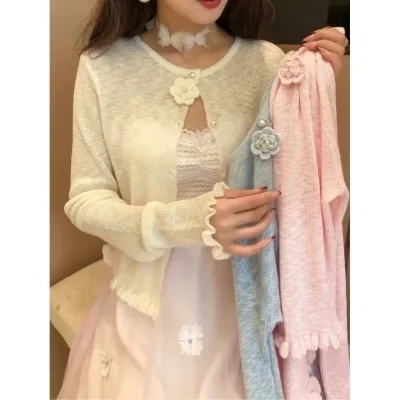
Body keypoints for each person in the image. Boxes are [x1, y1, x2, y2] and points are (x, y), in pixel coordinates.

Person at [58, 0, 349, 398]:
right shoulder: (103, 67)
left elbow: (297, 191)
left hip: (247, 318)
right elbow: (86, 199)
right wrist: (191, 221)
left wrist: (316, 88)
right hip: (143, 317)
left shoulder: (266, 64)